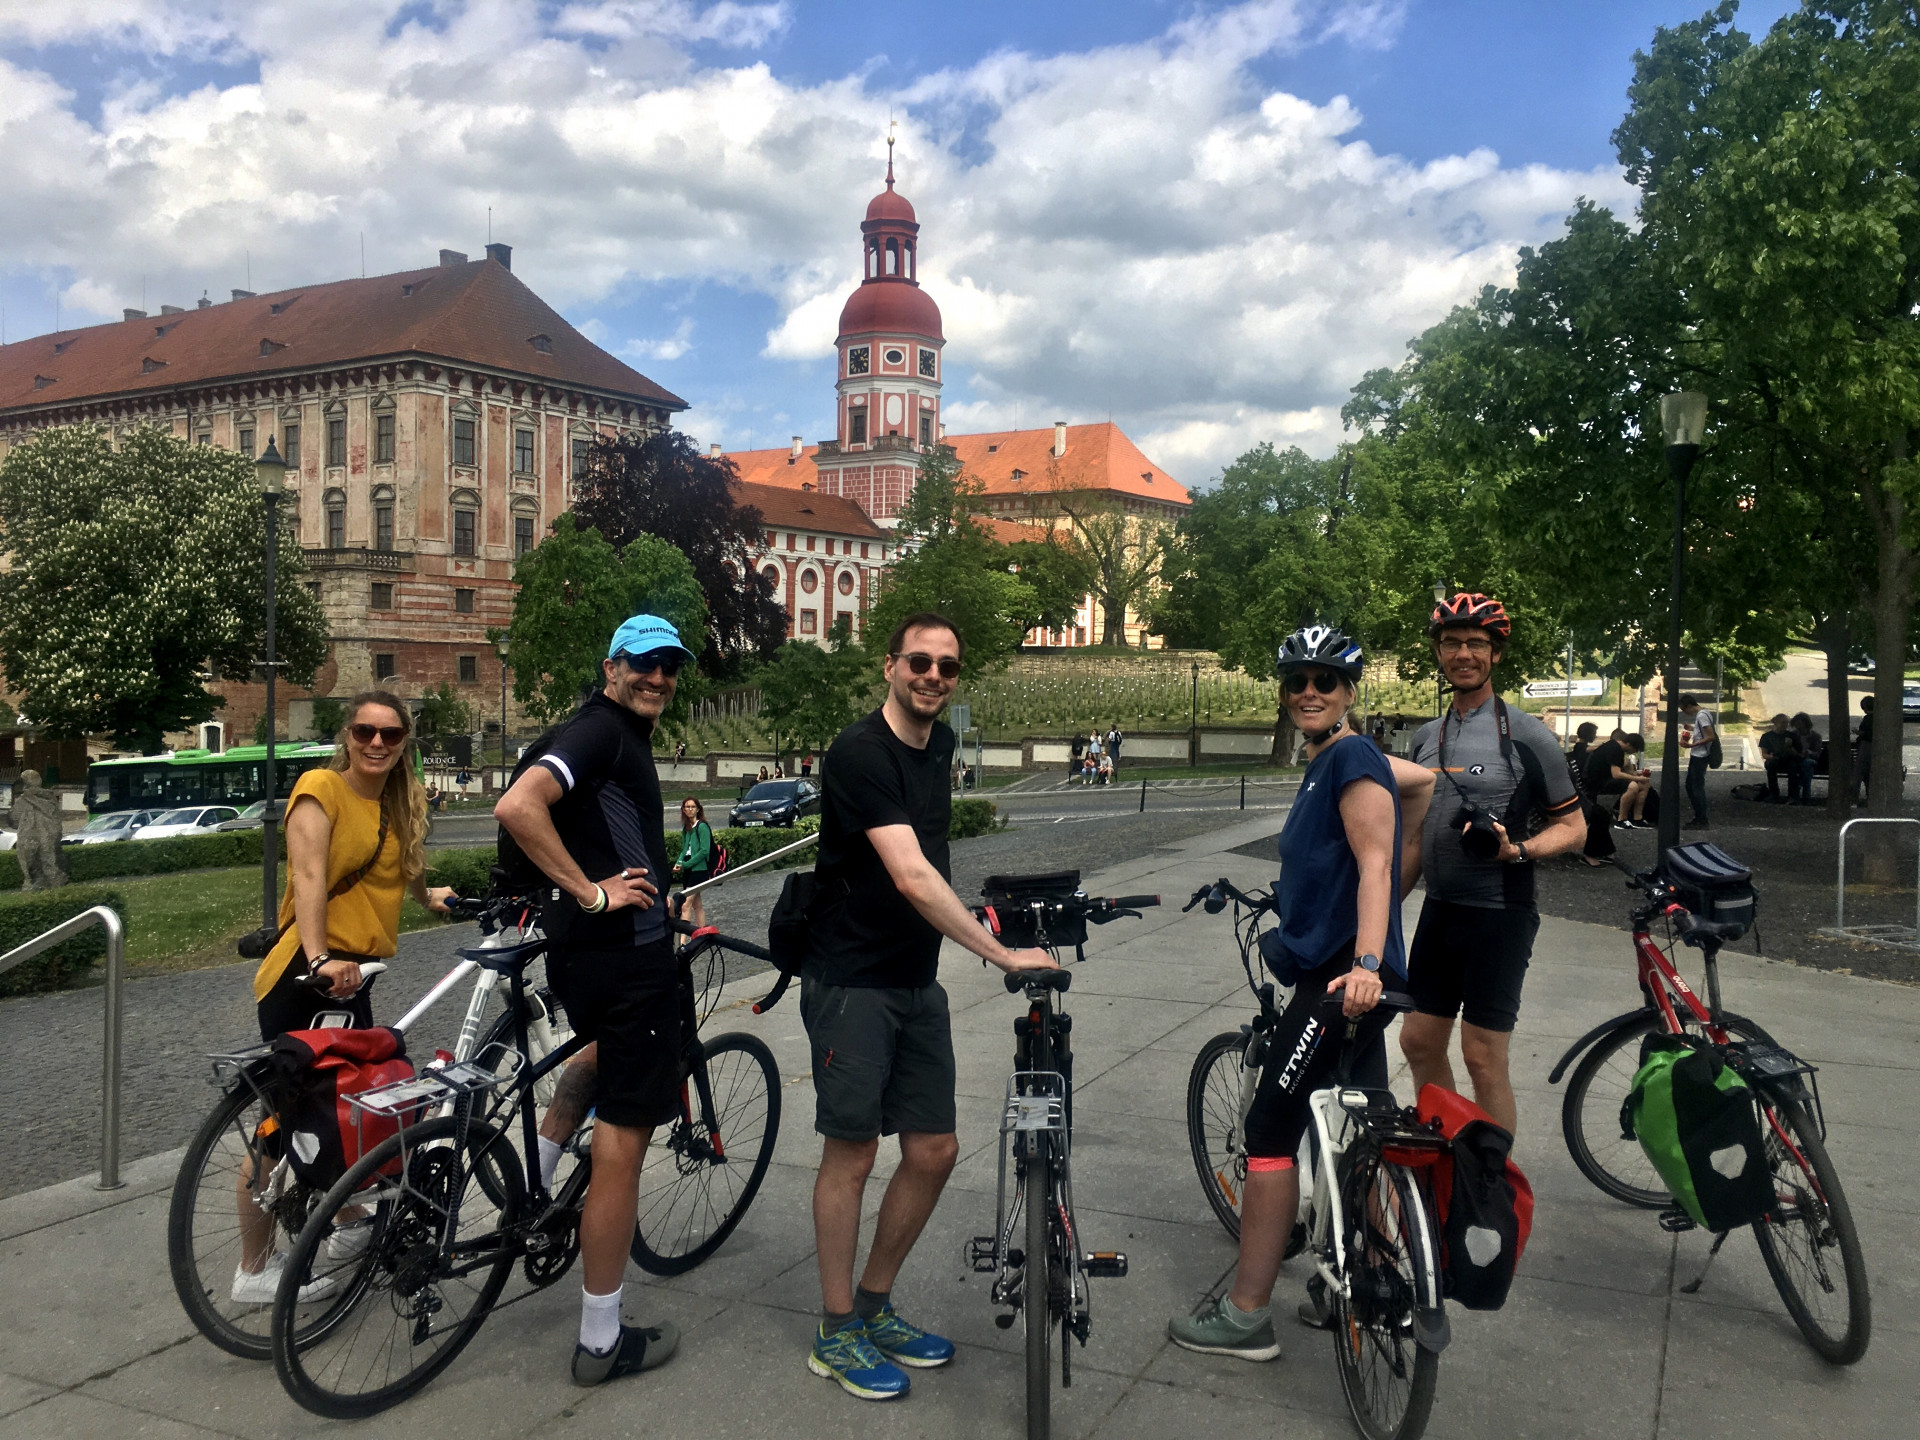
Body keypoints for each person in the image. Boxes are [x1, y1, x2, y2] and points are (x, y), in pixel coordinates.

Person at [802, 612, 1056, 1402]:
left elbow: (934, 863)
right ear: (890, 666)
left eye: (948, 666)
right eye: (920, 661)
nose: (934, 677)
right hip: (852, 980)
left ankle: (874, 1306)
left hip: (914, 976)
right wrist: (1000, 954)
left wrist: (987, 920)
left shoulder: (939, 744)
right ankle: (836, 1330)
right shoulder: (859, 752)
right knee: (852, 1154)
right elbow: (910, 874)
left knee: (935, 1149)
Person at [1166, 625, 1432, 1360]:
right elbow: (1424, 783)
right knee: (1362, 1128)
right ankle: (1372, 1285)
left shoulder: (1350, 758)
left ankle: (1246, 1313)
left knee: (1268, 1134)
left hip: (1341, 982)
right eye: (1296, 681)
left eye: (1325, 680)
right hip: (1351, 978)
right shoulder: (1341, 757)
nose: (1308, 691)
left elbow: (1374, 863)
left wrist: (1369, 955)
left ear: (1349, 691)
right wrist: (1388, 899)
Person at [494, 614, 693, 1386]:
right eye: (644, 663)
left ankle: (535, 1189)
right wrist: (592, 892)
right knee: (623, 1144)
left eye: (669, 667)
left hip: (588, 960)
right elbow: (519, 806)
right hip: (627, 963)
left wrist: (642, 890)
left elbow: (602, 832)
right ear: (611, 667)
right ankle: (602, 1341)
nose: (658, 678)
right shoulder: (603, 731)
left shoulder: (607, 732)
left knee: (595, 1057)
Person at [239, 692, 457, 1303]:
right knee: (279, 1125)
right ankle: (253, 1270)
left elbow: (406, 869)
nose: (377, 743)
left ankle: (346, 1224)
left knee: (343, 1111)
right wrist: (318, 960)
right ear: (348, 736)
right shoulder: (322, 789)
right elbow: (308, 876)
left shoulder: (397, 804)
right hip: (307, 976)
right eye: (365, 731)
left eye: (390, 734)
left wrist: (431, 898)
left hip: (353, 978)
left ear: (405, 743)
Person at [1402, 593, 1585, 1136]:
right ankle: (1450, 1154)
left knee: (1482, 1055)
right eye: (1452, 643)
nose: (1463, 654)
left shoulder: (1527, 735)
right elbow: (1414, 836)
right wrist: (1378, 910)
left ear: (1495, 654)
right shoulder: (1423, 738)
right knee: (1418, 1042)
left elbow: (1574, 828)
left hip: (1500, 912)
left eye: (1476, 644)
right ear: (1438, 652)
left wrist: (1518, 851)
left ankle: (1492, 1176)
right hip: (1440, 909)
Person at [1587, 729, 1650, 829]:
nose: (1634, 752)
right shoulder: (1615, 750)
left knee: (1644, 785)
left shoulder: (1615, 746)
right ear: (1629, 744)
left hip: (1604, 779)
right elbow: (1616, 774)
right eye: (1635, 749)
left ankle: (1637, 818)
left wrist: (1637, 777)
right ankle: (1621, 820)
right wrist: (1635, 778)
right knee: (1632, 786)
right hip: (1597, 782)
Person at [672, 797, 714, 928]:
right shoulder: (686, 828)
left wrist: (686, 864)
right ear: (683, 810)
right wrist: (679, 863)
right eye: (687, 807)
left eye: (693, 807)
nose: (690, 809)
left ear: (698, 809)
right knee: (697, 905)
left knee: (685, 905)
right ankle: (701, 934)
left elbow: (704, 851)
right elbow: (684, 850)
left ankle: (684, 939)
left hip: (699, 870)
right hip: (689, 870)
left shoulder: (702, 826)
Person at [1678, 694, 1717, 828]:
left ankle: (1701, 818)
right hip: (1700, 754)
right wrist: (1693, 729)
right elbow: (1705, 731)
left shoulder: (1701, 716)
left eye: (1684, 709)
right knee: (1692, 785)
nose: (1685, 713)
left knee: (1695, 786)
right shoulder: (1705, 713)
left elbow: (1710, 736)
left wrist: (1692, 745)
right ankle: (1700, 816)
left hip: (1700, 755)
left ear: (1689, 706)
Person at [1760, 714, 1804, 803]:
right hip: (1774, 759)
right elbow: (1764, 754)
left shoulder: (1792, 736)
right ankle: (1774, 793)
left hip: (1789, 759)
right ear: (1776, 723)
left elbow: (1798, 753)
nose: (1785, 725)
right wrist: (1771, 756)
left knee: (1793, 767)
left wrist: (1790, 747)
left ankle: (1792, 795)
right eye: (1783, 723)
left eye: (1787, 723)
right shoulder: (1766, 736)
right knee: (1770, 765)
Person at [1791, 713, 1823, 803]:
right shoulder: (1793, 735)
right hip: (1797, 760)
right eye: (1796, 724)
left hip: (1811, 760)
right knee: (1808, 770)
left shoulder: (1815, 736)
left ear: (1806, 724)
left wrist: (1809, 752)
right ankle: (1806, 797)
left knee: (1807, 763)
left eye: (1800, 724)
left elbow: (1817, 754)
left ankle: (1798, 786)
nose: (1798, 727)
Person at [1853, 697, 1874, 803]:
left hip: (1866, 746)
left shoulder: (1868, 719)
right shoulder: (1878, 718)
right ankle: (1870, 796)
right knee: (1868, 774)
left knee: (1858, 772)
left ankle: (1853, 796)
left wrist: (1857, 732)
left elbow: (1865, 733)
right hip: (1871, 748)